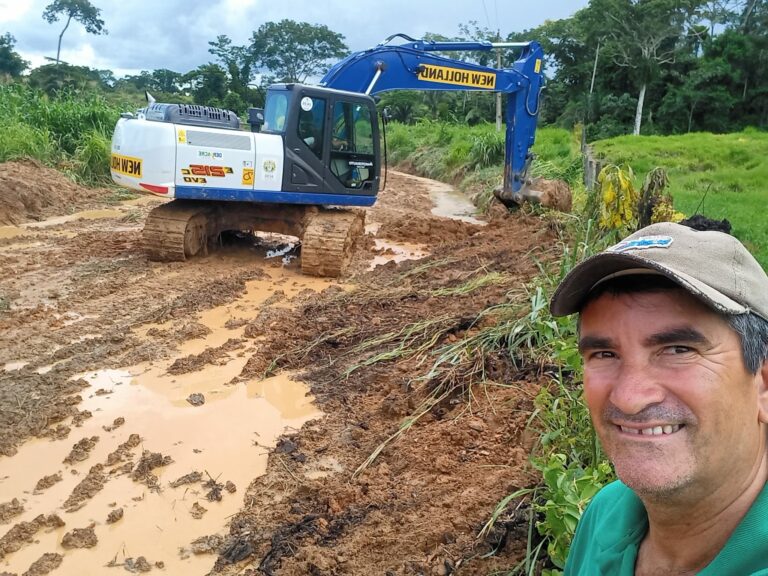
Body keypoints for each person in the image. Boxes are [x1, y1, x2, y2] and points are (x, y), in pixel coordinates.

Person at [549, 221, 768, 575]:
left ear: (763, 384)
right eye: (605, 354)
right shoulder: (606, 513)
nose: (630, 398)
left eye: (678, 349)